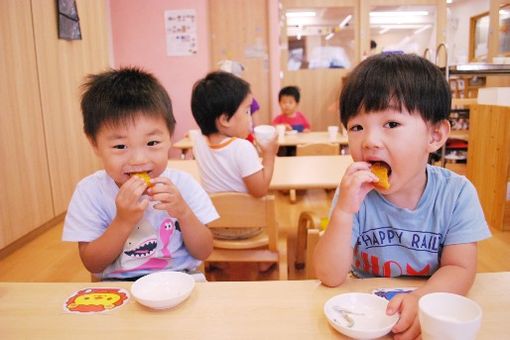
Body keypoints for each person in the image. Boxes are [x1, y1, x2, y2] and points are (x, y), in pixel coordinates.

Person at [313, 53, 491, 339]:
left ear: (434, 135)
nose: (369, 140)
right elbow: (330, 276)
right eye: (357, 127)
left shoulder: (456, 194)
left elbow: (460, 267)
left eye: (391, 124)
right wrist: (344, 212)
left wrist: (424, 299)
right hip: (366, 316)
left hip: (433, 309)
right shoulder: (354, 195)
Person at [62, 67, 218, 281]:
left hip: (181, 280)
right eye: (120, 146)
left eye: (152, 143)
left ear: (170, 137)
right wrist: (123, 221)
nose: (138, 160)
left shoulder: (184, 185)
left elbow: (204, 251)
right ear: (94, 144)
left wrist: (184, 213)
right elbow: (92, 263)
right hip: (118, 288)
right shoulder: (90, 192)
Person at [190, 71, 278, 244]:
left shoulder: (198, 141)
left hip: (213, 225)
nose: (250, 119)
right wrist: (269, 155)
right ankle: (263, 263)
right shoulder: (242, 148)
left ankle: (220, 263)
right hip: (248, 227)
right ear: (225, 119)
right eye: (246, 111)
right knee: (273, 214)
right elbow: (260, 190)